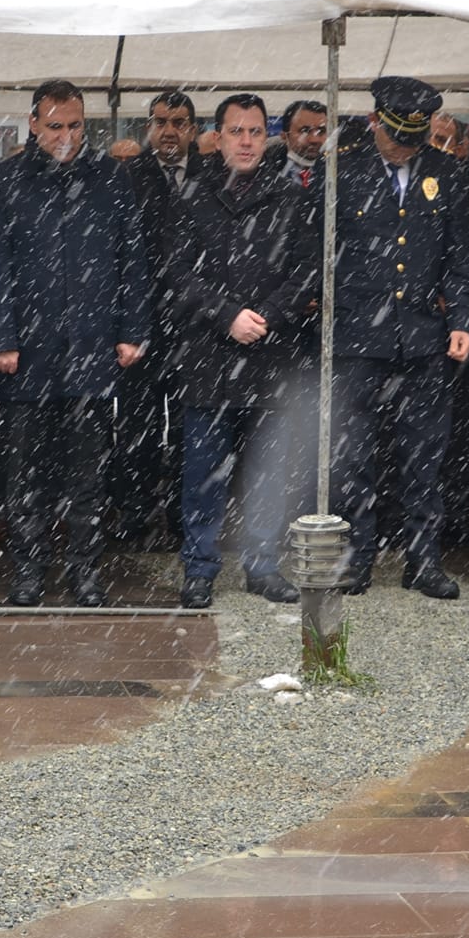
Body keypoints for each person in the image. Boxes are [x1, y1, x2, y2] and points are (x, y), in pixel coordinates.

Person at [0, 81, 152, 606]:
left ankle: (84, 570)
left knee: (88, 472)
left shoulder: (110, 179)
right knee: (26, 472)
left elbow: (131, 258)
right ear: (33, 123)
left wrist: (132, 328)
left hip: (92, 346)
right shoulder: (5, 182)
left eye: (76, 125)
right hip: (26, 352)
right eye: (55, 126)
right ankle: (29, 571)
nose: (67, 136)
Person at [323, 77, 469, 599]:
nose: (406, 147)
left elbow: (459, 254)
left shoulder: (446, 172)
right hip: (359, 336)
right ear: (375, 123)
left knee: (424, 456)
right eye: (397, 137)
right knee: (354, 455)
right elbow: (323, 253)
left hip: (423, 338)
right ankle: (356, 558)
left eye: (415, 138)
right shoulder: (343, 172)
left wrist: (461, 318)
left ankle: (423, 560)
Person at [165, 93, 309, 609]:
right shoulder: (191, 196)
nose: (246, 141)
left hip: (270, 355)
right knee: (203, 473)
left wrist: (265, 315)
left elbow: (306, 273)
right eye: (235, 131)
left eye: (254, 131)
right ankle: (200, 567)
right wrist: (226, 314)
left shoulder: (290, 197)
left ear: (266, 137)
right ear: (217, 136)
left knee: (268, 470)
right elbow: (178, 274)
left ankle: (263, 565)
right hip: (208, 355)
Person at [113, 90, 201, 545]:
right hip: (142, 324)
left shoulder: (212, 175)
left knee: (192, 428)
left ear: (193, 128)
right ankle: (135, 516)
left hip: (196, 325)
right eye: (161, 121)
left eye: (179, 121)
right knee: (137, 428)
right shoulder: (127, 177)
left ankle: (185, 518)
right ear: (148, 126)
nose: (169, 130)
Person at [279, 100, 327, 188]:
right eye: (305, 131)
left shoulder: (338, 171)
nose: (314, 139)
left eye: (321, 131)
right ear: (285, 136)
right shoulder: (265, 170)